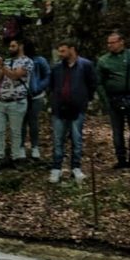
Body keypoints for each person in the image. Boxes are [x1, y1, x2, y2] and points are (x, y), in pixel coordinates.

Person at [47, 39, 97, 184]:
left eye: (63, 51)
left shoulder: (85, 65)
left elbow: (92, 84)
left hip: (78, 107)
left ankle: (76, 167)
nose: (61, 54)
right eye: (59, 51)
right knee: (58, 140)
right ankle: (56, 168)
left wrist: (85, 100)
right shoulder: (56, 68)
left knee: (77, 139)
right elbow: (51, 85)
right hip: (59, 108)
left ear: (72, 49)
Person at [97, 32, 130, 169]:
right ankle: (121, 159)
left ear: (121, 42)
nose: (110, 45)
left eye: (113, 42)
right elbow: (99, 82)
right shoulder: (104, 60)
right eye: (108, 43)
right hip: (114, 99)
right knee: (117, 132)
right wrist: (105, 101)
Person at [0, 38, 33, 171]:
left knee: (15, 131)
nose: (10, 48)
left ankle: (16, 158)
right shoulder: (7, 61)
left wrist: (2, 65)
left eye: (13, 46)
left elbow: (15, 75)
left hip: (17, 102)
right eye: (9, 46)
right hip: (0, 102)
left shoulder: (27, 61)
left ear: (20, 46)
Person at [21, 40, 50, 160]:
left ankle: (35, 147)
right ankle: (20, 147)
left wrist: (39, 87)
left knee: (33, 122)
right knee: (21, 122)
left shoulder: (40, 60)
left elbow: (48, 75)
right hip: (21, 96)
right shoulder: (18, 61)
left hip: (36, 96)